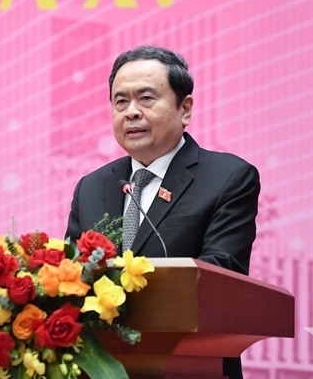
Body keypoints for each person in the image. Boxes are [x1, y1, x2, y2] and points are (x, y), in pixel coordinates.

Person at [65, 45, 260, 379]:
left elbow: (219, 275)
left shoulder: (228, 178)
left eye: (146, 99)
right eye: (120, 101)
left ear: (185, 109)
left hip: (190, 365)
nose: (131, 112)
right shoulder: (92, 187)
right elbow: (69, 275)